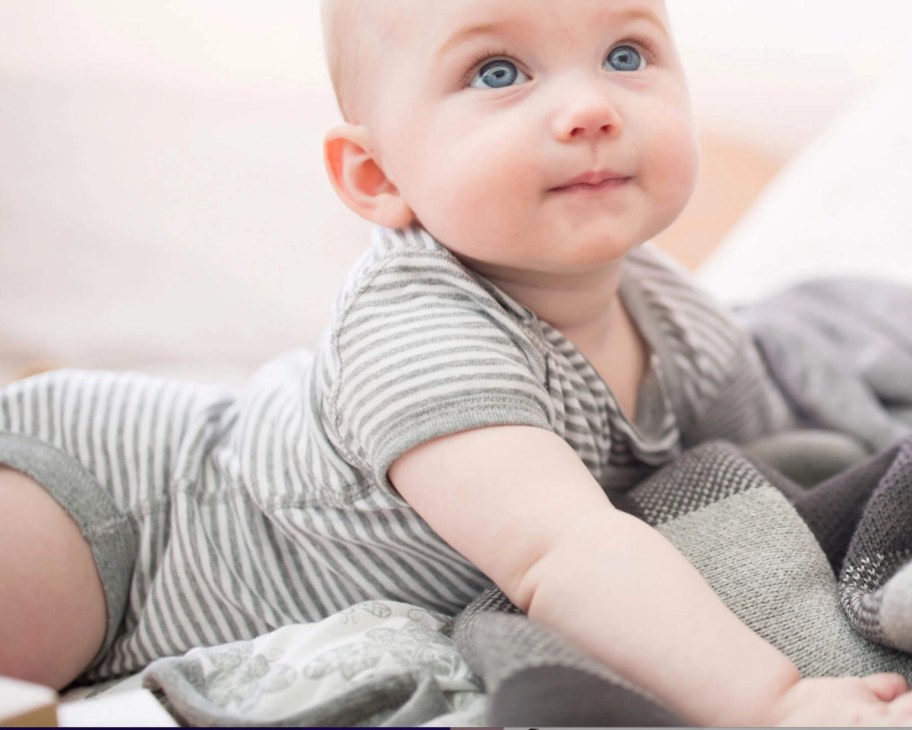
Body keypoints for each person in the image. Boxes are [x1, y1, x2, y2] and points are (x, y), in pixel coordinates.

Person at [1, 0, 911, 725]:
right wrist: (774, 701)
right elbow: (566, 554)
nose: (591, 107)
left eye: (626, 55)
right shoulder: (417, 326)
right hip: (119, 518)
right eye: (498, 72)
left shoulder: (680, 318)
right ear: (377, 177)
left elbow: (791, 491)